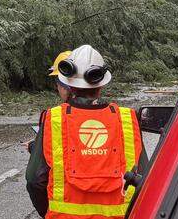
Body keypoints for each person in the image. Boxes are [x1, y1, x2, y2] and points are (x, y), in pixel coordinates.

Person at [25, 44, 146, 219]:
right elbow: (147, 179)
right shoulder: (127, 119)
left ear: (67, 84)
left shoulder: (55, 119)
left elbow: (34, 180)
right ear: (101, 83)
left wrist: (49, 213)